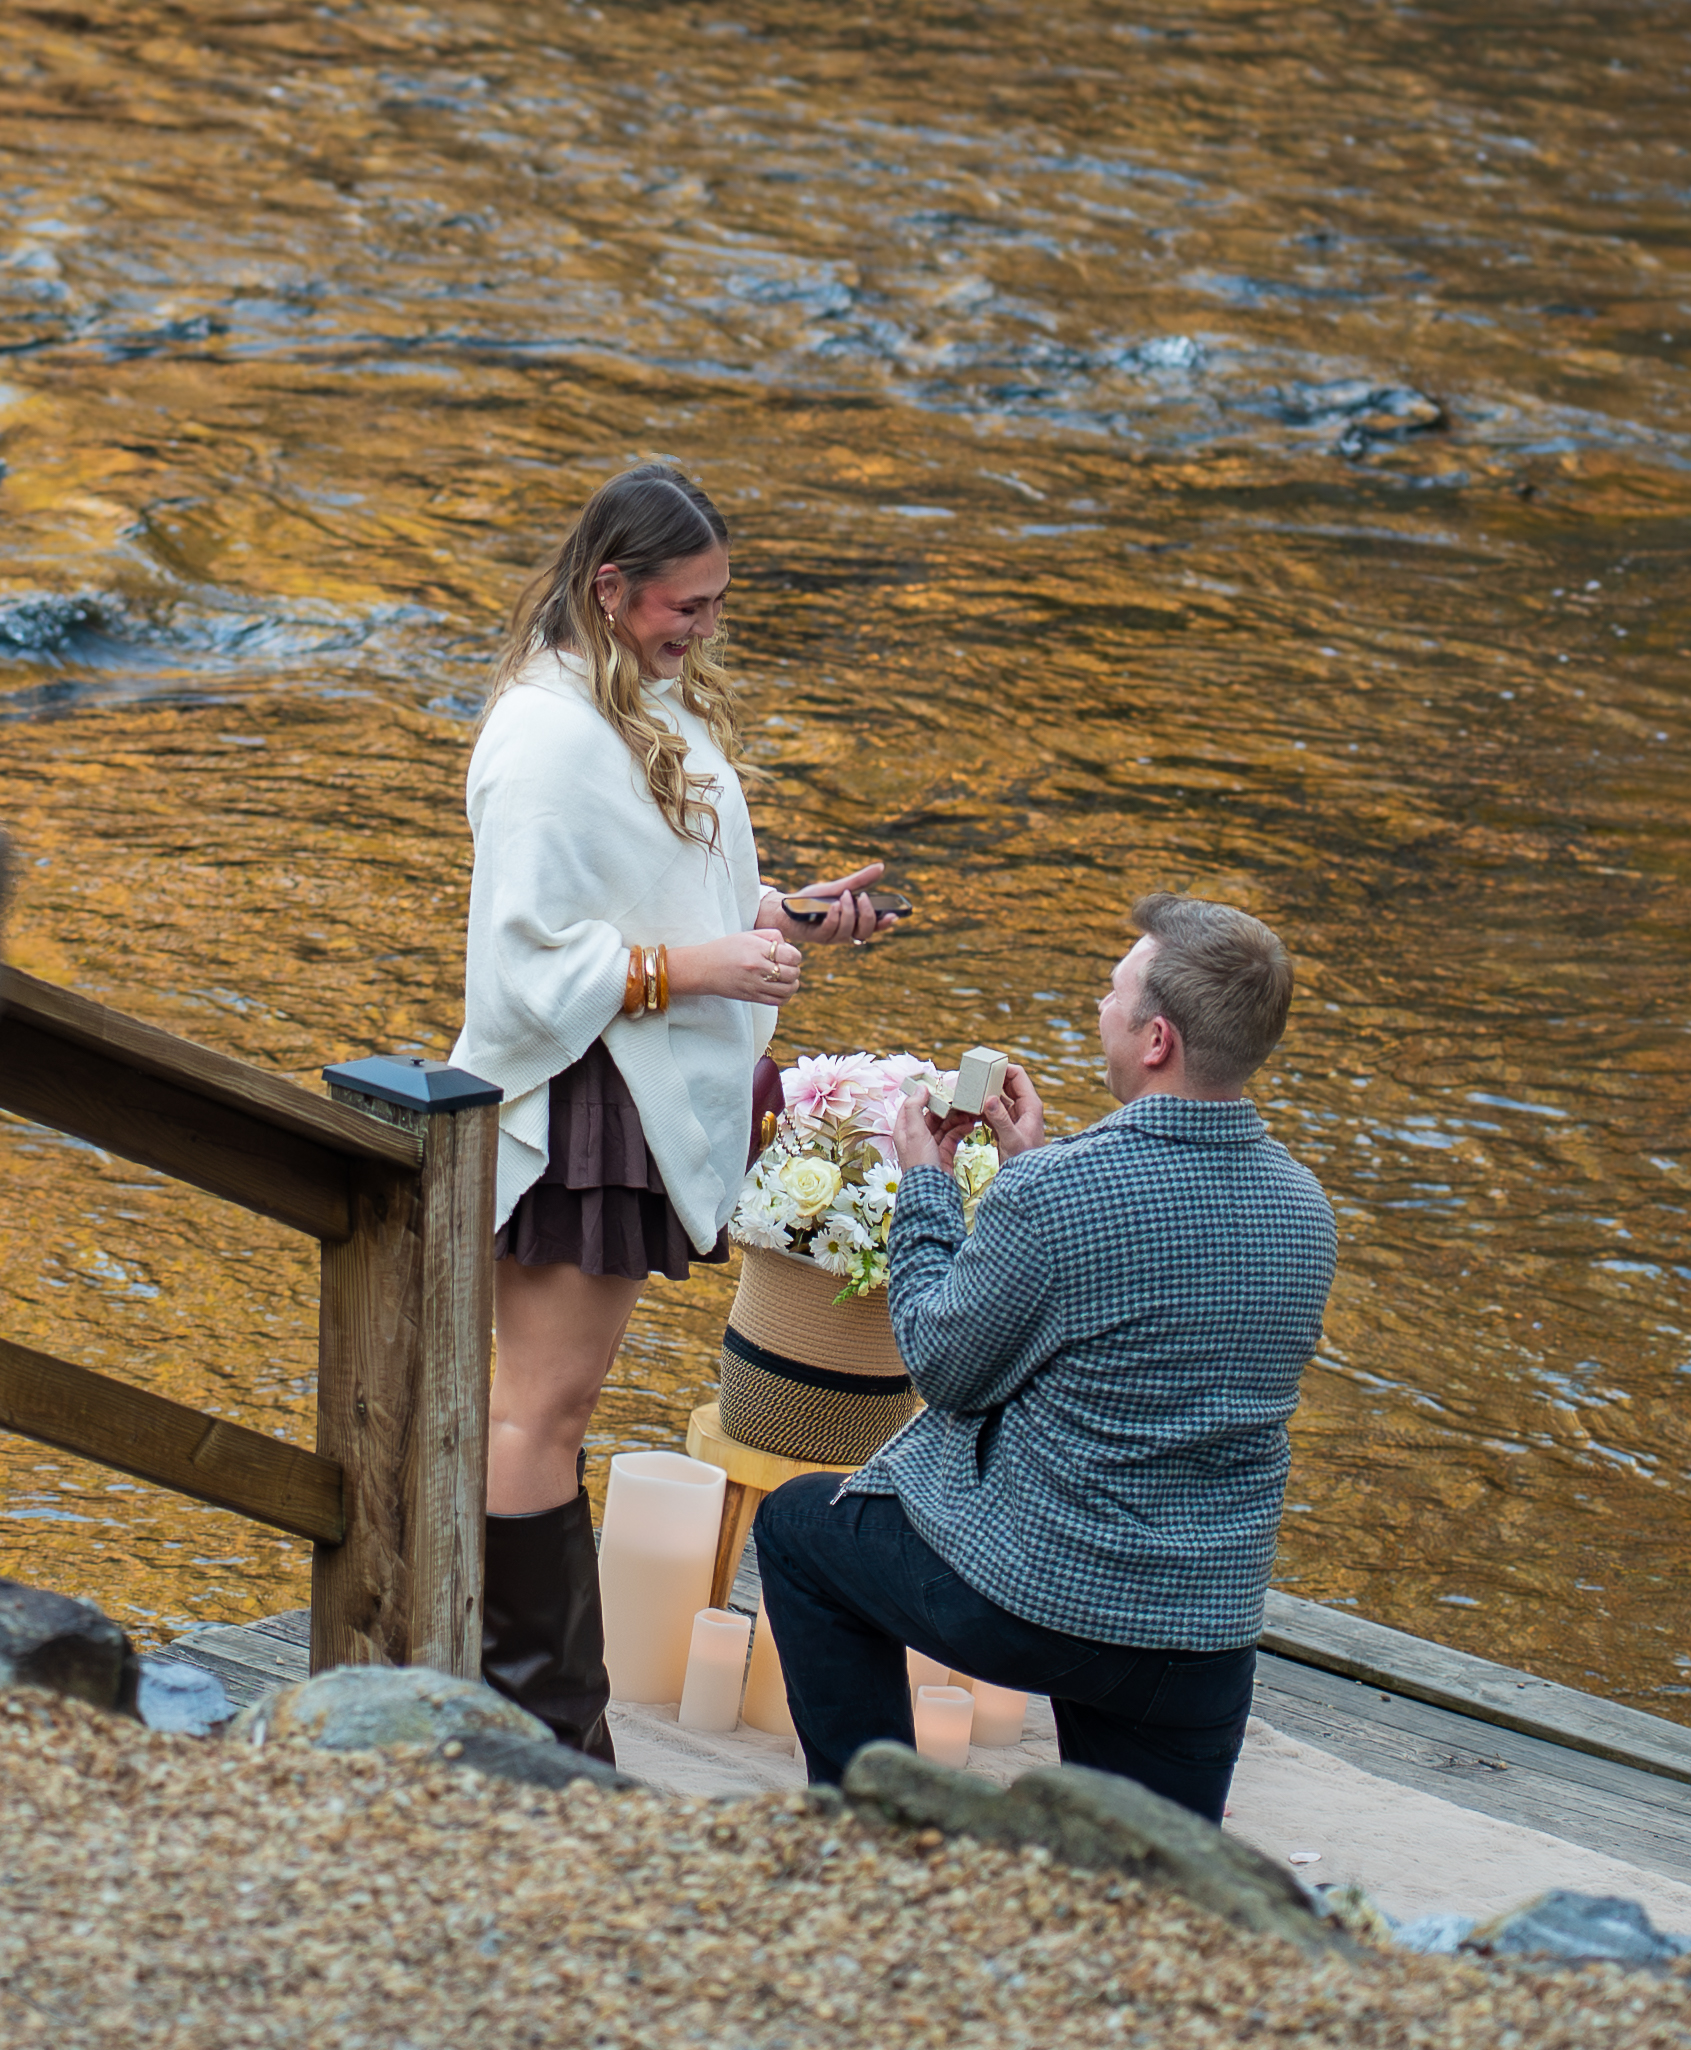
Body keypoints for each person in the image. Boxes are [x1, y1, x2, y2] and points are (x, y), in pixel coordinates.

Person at [453, 456, 899, 1756]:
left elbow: (653, 893)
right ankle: (540, 1721)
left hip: (625, 1092)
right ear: (610, 586)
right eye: (684, 607)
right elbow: (524, 964)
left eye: (711, 606)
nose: (701, 630)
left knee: (550, 1407)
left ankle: (537, 1710)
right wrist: (704, 966)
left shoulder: (637, 702)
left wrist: (780, 917)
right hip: (578, 1101)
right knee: (537, 1410)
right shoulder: (542, 735)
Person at [747, 892, 1337, 1815]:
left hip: (1043, 1602)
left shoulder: (1064, 1194)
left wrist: (928, 1189)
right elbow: (1136, 1296)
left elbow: (942, 1368)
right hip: (1202, 1636)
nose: (1098, 1009)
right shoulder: (1306, 1210)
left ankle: (875, 1836)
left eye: (1113, 992)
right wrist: (1028, 1163)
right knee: (1138, 1887)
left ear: (1155, 1042)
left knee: (798, 1529)